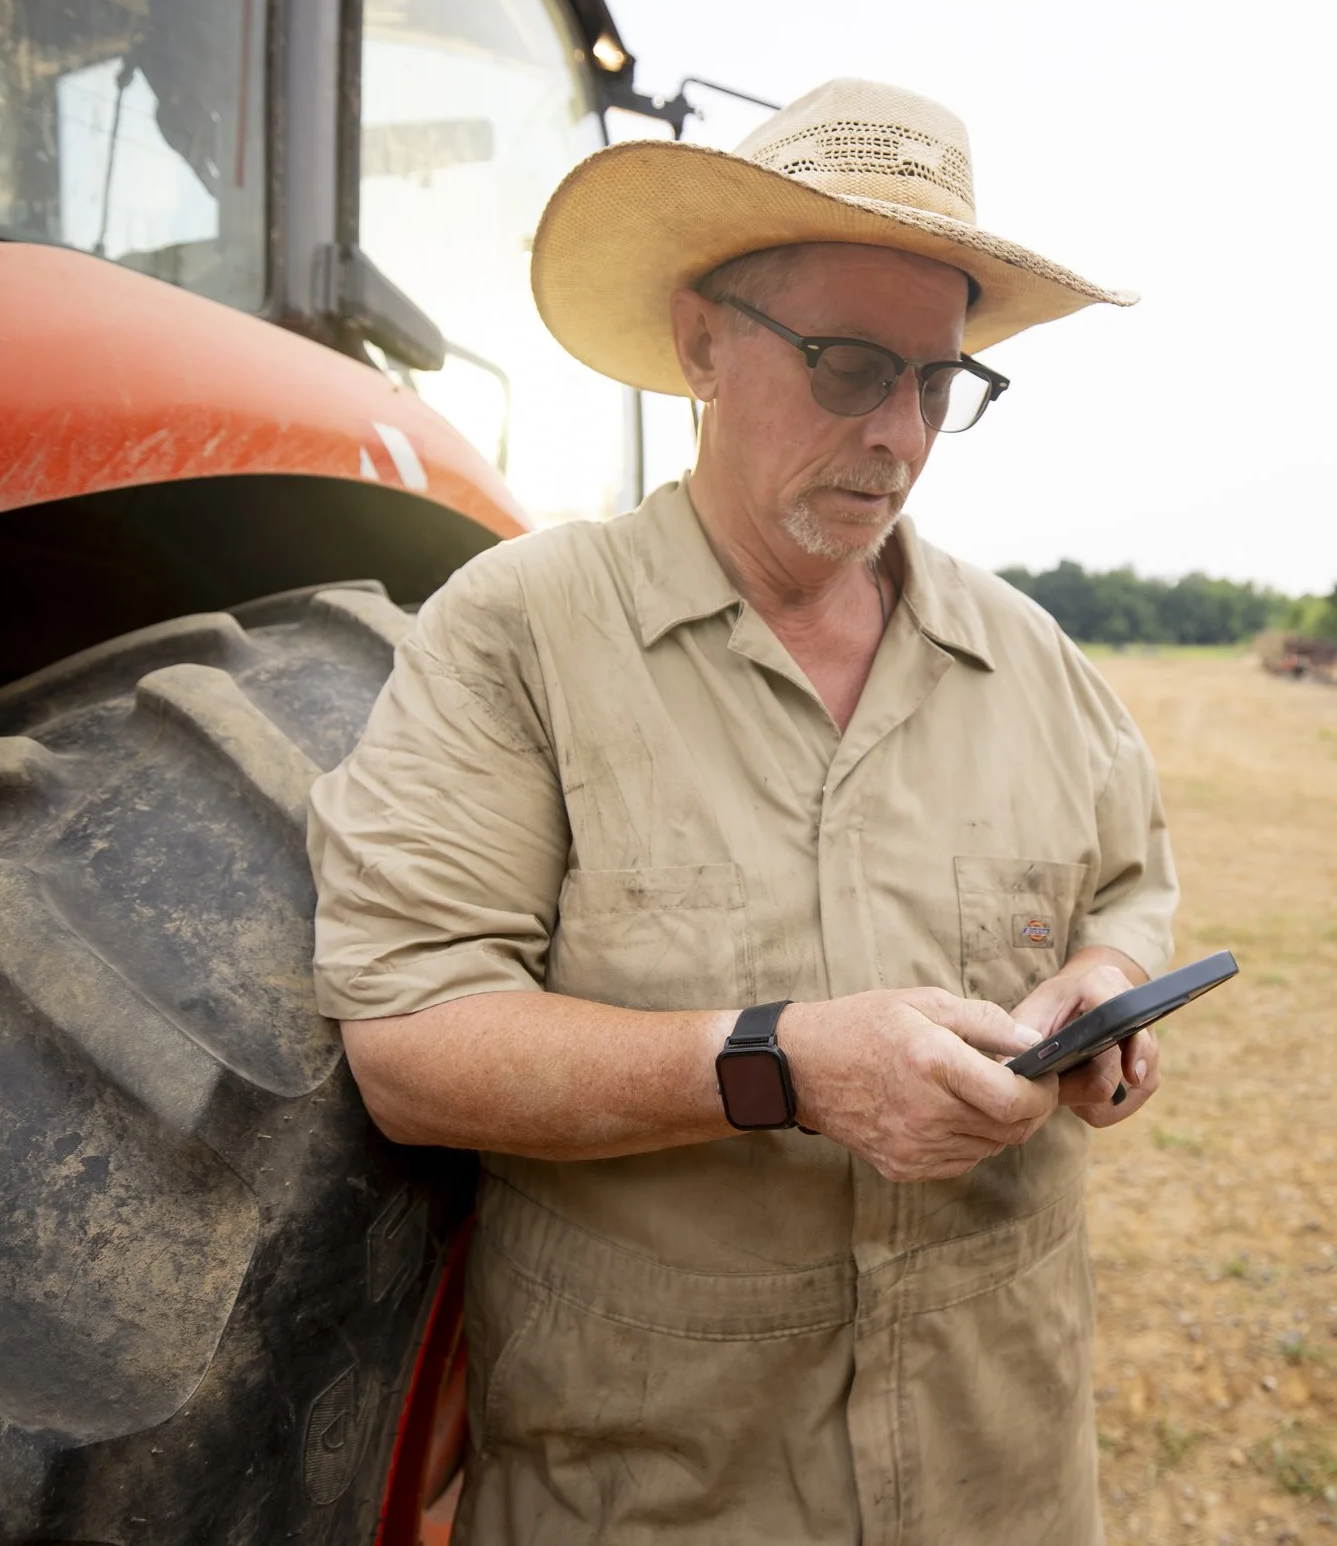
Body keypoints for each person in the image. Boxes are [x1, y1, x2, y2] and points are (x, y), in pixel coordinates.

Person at [307, 78, 1177, 1545]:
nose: (900, 432)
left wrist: (1108, 987)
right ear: (703, 343)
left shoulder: (1038, 661)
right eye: (849, 365)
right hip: (655, 1493)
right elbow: (412, 1041)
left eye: (937, 382)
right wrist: (780, 1064)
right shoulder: (519, 633)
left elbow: (1127, 897)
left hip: (1000, 1476)